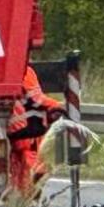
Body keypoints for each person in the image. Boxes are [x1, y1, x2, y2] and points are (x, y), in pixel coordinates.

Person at [7, 65, 65, 198]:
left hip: (21, 134)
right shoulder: (22, 69)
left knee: (21, 173)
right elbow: (36, 98)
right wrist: (55, 106)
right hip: (23, 134)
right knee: (28, 172)